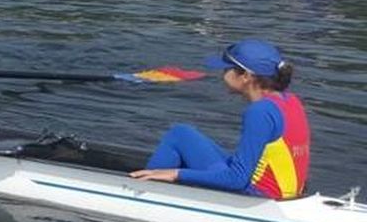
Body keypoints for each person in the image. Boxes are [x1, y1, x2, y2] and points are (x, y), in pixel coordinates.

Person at [130, 40, 308, 200]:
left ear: (246, 76)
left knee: (178, 135)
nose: (222, 74)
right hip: (287, 195)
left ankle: (139, 195)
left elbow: (236, 180)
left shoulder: (259, 111)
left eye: (226, 69)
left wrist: (176, 174)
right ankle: (152, 181)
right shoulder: (291, 101)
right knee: (184, 133)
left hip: (256, 198)